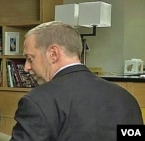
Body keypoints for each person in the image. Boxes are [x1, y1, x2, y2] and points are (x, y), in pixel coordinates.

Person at [10, 21, 143, 141]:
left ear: (53, 54)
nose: (27, 67)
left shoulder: (37, 101)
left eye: (30, 58)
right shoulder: (126, 98)